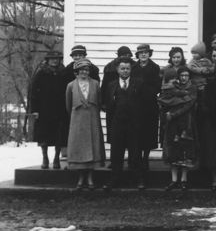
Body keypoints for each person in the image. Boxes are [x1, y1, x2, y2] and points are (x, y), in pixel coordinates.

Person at [102, 58, 143, 190]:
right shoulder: (111, 85)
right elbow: (109, 108)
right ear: (117, 70)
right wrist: (111, 126)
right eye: (122, 68)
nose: (125, 71)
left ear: (131, 70)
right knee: (116, 154)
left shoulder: (139, 83)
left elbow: (143, 105)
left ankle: (137, 180)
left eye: (127, 68)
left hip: (134, 124)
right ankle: (114, 179)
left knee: (135, 153)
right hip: (117, 124)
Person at [65, 59, 104, 190]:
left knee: (93, 148)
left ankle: (90, 178)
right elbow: (68, 105)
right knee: (79, 149)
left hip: (92, 120)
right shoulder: (71, 85)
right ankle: (80, 179)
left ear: (89, 71)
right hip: (77, 122)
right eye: (81, 70)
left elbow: (99, 102)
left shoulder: (95, 84)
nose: (84, 72)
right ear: (76, 72)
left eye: (86, 70)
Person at [158, 66, 199, 191]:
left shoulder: (192, 88)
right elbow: (165, 101)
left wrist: (173, 113)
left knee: (185, 150)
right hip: (173, 124)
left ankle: (184, 180)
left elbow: (189, 104)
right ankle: (174, 179)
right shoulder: (173, 88)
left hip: (187, 123)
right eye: (182, 76)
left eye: (186, 76)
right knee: (173, 150)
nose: (184, 78)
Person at [28, 51, 67, 170]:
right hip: (44, 110)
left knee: (59, 136)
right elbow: (33, 92)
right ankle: (45, 158)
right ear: (48, 60)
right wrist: (34, 109)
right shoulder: (41, 73)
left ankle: (56, 159)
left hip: (60, 109)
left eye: (57, 59)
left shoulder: (63, 73)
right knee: (43, 136)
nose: (55, 61)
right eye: (52, 59)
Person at [132, 44, 162, 170]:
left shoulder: (155, 68)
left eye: (146, 52)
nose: (143, 54)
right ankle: (137, 158)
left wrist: (147, 91)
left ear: (149, 54)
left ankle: (146, 158)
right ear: (137, 55)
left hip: (150, 104)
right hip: (135, 105)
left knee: (149, 132)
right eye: (141, 53)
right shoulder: (133, 67)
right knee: (136, 132)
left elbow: (157, 86)